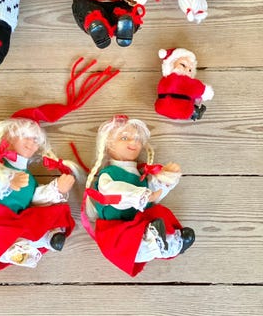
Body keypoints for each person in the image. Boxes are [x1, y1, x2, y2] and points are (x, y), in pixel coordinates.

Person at [82, 115, 195, 276]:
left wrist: (165, 179)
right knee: (129, 246)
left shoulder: (141, 176)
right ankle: (157, 243)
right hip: (116, 228)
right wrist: (142, 195)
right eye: (124, 138)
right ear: (108, 144)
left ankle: (169, 243)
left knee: (159, 213)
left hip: (139, 223)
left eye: (137, 139)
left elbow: (154, 195)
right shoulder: (108, 174)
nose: (133, 143)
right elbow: (112, 191)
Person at [0, 117, 79, 270]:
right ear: (8, 136)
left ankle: (47, 238)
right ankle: (14, 250)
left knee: (44, 214)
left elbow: (35, 198)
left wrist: (56, 189)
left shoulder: (30, 179)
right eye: (26, 136)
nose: (31, 143)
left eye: (35, 140)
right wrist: (7, 179)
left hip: (16, 220)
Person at [155, 47, 214, 121]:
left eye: (190, 70)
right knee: (193, 100)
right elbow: (196, 87)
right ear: (171, 64)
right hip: (183, 110)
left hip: (161, 108)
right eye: (183, 65)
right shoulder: (184, 80)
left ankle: (194, 110)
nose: (186, 70)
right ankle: (195, 112)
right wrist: (206, 91)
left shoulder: (164, 79)